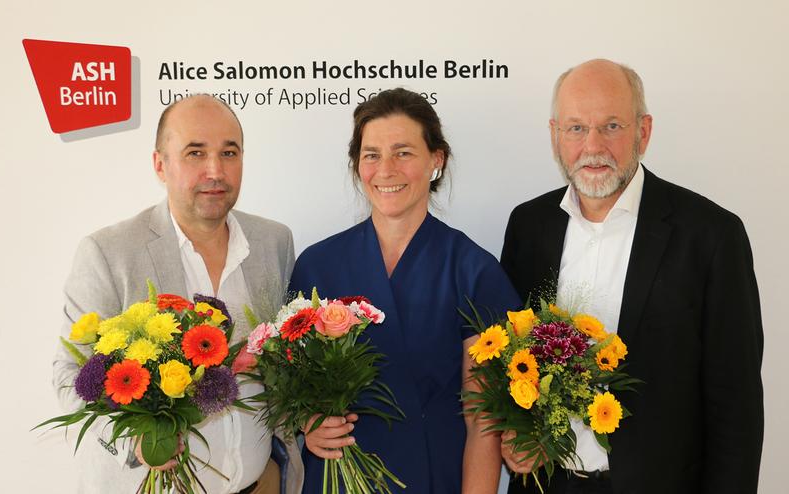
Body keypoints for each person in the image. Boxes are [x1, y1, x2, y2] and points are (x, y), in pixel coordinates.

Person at [500, 59, 763, 494]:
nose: (593, 146)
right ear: (555, 135)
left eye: (612, 126)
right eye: (576, 128)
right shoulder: (529, 226)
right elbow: (509, 363)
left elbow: (736, 409)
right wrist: (515, 437)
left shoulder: (711, 236)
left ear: (644, 131)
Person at [53, 94, 303, 494]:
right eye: (195, 152)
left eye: (229, 152)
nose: (215, 170)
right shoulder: (109, 252)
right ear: (160, 164)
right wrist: (133, 442)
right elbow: (70, 376)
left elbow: (287, 361)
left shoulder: (274, 241)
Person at [289, 88, 521, 493]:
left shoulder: (473, 271)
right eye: (372, 154)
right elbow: (292, 388)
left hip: (433, 477)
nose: (386, 169)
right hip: (336, 480)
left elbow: (483, 422)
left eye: (403, 152)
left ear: (436, 160)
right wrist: (308, 424)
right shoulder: (317, 265)